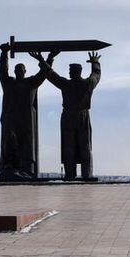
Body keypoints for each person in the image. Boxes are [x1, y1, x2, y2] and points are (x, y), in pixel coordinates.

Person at [30, 51, 101, 181]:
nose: (69, 73)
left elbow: (51, 75)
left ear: (75, 72)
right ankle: (87, 174)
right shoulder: (88, 83)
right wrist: (95, 62)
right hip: (83, 117)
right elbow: (96, 75)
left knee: (69, 147)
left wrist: (42, 60)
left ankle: (70, 174)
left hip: (69, 117)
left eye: (70, 71)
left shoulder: (67, 84)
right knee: (85, 146)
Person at [0, 45, 58, 180]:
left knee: (26, 146)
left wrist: (49, 58)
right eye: (17, 69)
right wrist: (3, 55)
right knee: (10, 143)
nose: (19, 71)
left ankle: (25, 170)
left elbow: (43, 74)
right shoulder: (9, 83)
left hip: (25, 121)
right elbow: (2, 71)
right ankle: (10, 168)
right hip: (11, 120)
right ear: (14, 71)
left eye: (21, 69)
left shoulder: (30, 83)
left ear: (24, 71)